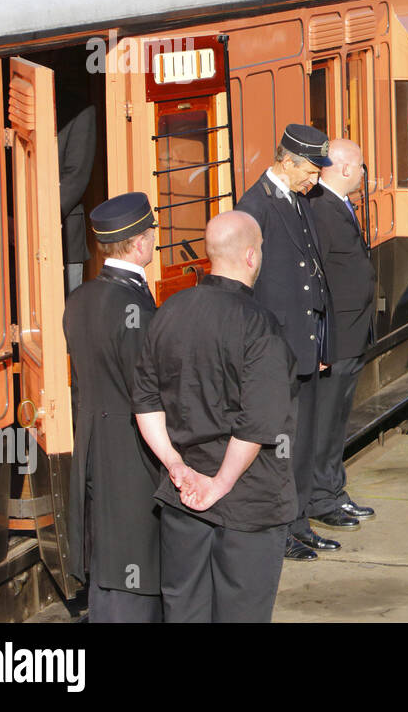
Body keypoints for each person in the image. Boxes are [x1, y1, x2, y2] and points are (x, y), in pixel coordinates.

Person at [133, 211, 297, 623]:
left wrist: (176, 466)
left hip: (182, 497)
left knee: (184, 609)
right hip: (248, 503)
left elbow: (146, 402)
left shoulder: (166, 312)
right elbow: (258, 422)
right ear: (250, 257)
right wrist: (218, 485)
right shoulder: (260, 326)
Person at [235, 123, 337, 561]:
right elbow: (250, 284)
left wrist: (320, 344)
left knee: (302, 440)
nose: (315, 181)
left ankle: (300, 522)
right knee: (281, 446)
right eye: (310, 171)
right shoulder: (254, 206)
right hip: (277, 348)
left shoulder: (298, 199)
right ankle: (281, 531)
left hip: (305, 343)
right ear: (287, 161)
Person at [63, 192, 162, 622]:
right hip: (130, 452)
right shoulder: (136, 306)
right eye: (151, 234)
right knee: (135, 562)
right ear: (140, 244)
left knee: (106, 560)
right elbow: (146, 390)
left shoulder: (79, 300)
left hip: (91, 446)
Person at [303, 139, 378, 529]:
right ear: (346, 169)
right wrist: (321, 338)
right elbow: (317, 281)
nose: (365, 174)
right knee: (326, 420)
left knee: (339, 419)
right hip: (336, 338)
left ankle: (334, 489)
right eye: (362, 167)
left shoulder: (337, 205)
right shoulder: (320, 208)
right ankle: (320, 498)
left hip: (352, 334)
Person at [57, 91, 97, 295]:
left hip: (66, 236)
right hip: (18, 235)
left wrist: (40, 221)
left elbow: (77, 176)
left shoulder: (81, 112)